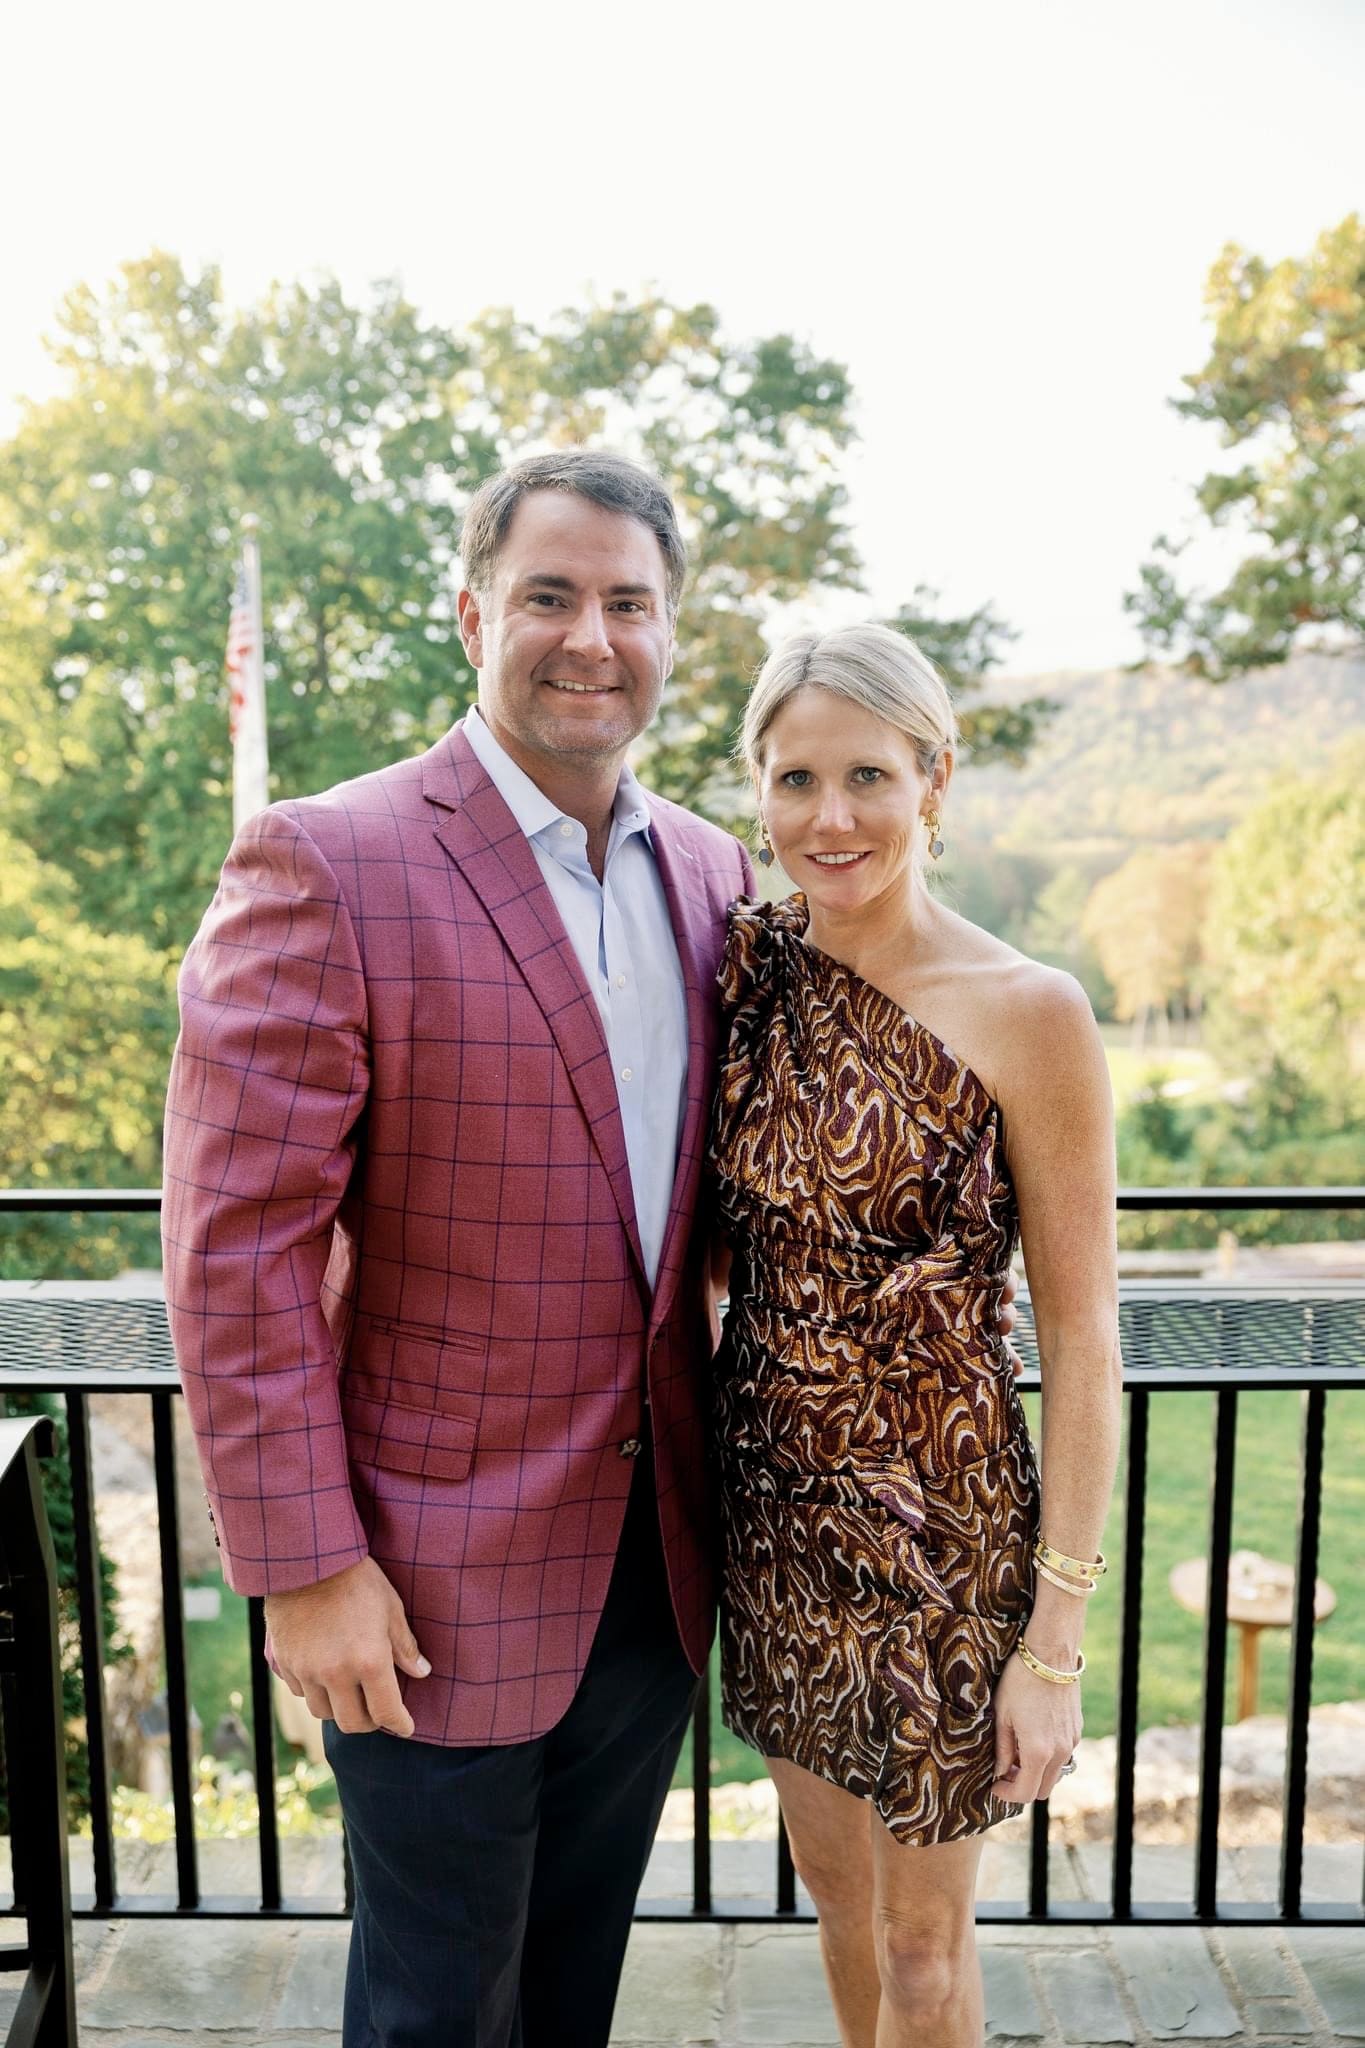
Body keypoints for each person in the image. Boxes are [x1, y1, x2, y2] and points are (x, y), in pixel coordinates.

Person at [162, 453, 1021, 2048]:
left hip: (654, 1575)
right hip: (422, 1579)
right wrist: (304, 1567)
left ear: (670, 631)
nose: (590, 637)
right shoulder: (327, 860)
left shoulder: (710, 874)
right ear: (472, 613)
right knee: (434, 2013)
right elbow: (235, 1259)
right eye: (548, 596)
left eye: (629, 602)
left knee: (569, 2003)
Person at [708, 621, 1122, 2048]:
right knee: (836, 1907)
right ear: (759, 790)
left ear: (934, 779)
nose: (830, 817)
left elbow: (1083, 1338)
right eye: (796, 779)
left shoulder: (1030, 1011)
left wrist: (1053, 1641)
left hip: (945, 1535)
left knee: (924, 1954)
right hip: (774, 1518)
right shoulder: (745, 976)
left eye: (868, 776)